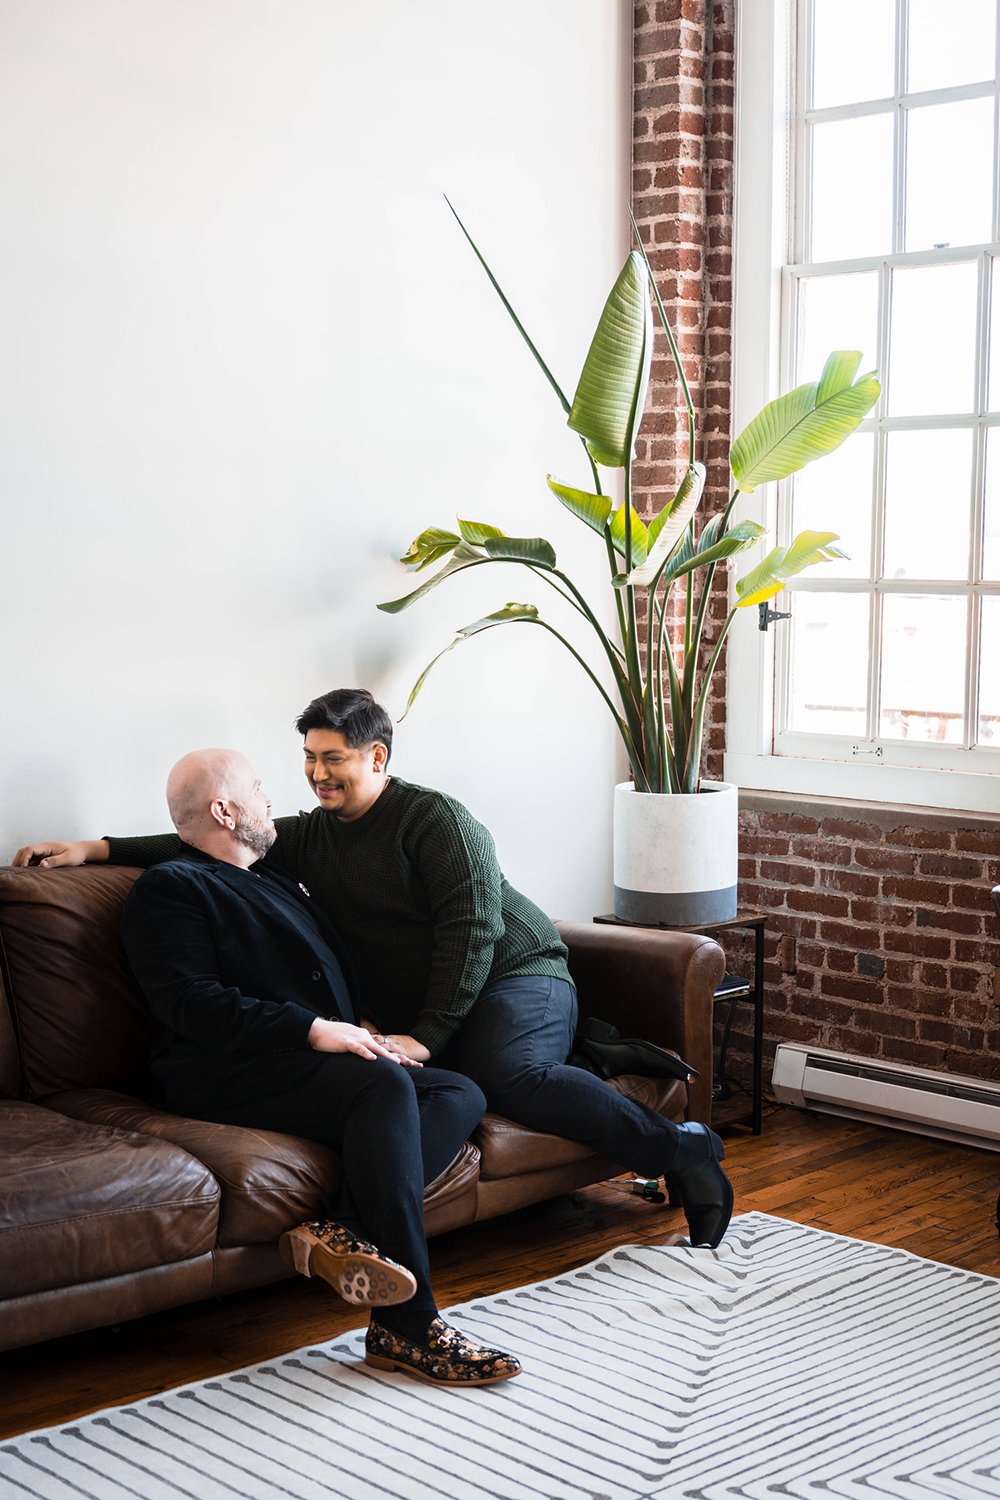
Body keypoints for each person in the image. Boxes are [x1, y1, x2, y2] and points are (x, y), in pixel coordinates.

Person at [13, 689, 734, 1248]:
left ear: (378, 758)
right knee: (434, 1089)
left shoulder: (435, 821)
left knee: (508, 1076)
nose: (317, 773)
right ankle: (362, 1227)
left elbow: (471, 932)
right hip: (434, 996)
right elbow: (206, 838)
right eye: (309, 757)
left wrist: (424, 1035)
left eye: (335, 759)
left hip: (516, 972)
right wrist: (96, 848)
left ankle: (684, 1148)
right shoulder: (308, 835)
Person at [115, 747, 521, 1388]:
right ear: (225, 810)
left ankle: (342, 1229)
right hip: (226, 1069)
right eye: (256, 786)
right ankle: (408, 1326)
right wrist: (314, 1030)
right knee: (382, 1084)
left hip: (310, 1057)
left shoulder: (275, 878)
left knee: (458, 1091)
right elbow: (190, 1004)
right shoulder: (172, 887)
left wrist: (356, 1024)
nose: (270, 796)